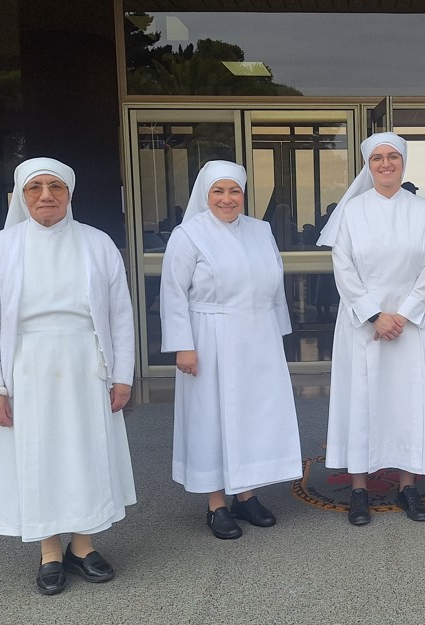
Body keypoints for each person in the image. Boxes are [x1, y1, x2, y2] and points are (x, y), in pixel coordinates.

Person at [0, 157, 136, 595]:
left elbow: (120, 315)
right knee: (39, 456)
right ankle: (49, 549)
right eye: (35, 187)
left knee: (84, 453)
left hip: (87, 365)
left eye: (56, 186)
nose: (46, 195)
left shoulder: (97, 243)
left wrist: (123, 375)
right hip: (27, 368)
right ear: (22, 195)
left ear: (69, 192)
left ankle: (83, 546)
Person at [160, 160, 302, 540]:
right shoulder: (188, 234)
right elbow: (173, 293)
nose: (227, 199)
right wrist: (182, 347)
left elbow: (274, 285)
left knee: (253, 416)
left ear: (243, 194)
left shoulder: (261, 230)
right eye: (218, 191)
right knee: (212, 418)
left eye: (234, 191)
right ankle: (216, 504)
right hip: (209, 336)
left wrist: (279, 335)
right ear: (206, 195)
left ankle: (247, 494)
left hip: (258, 336)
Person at [317, 132, 425, 526]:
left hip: (411, 327)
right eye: (377, 158)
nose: (386, 164)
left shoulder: (424, 211)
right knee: (361, 402)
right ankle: (359, 489)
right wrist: (375, 314)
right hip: (362, 327)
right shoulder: (352, 212)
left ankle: (408, 485)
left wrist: (402, 314)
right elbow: (344, 267)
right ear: (367, 165)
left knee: (409, 403)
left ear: (404, 163)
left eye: (393, 157)